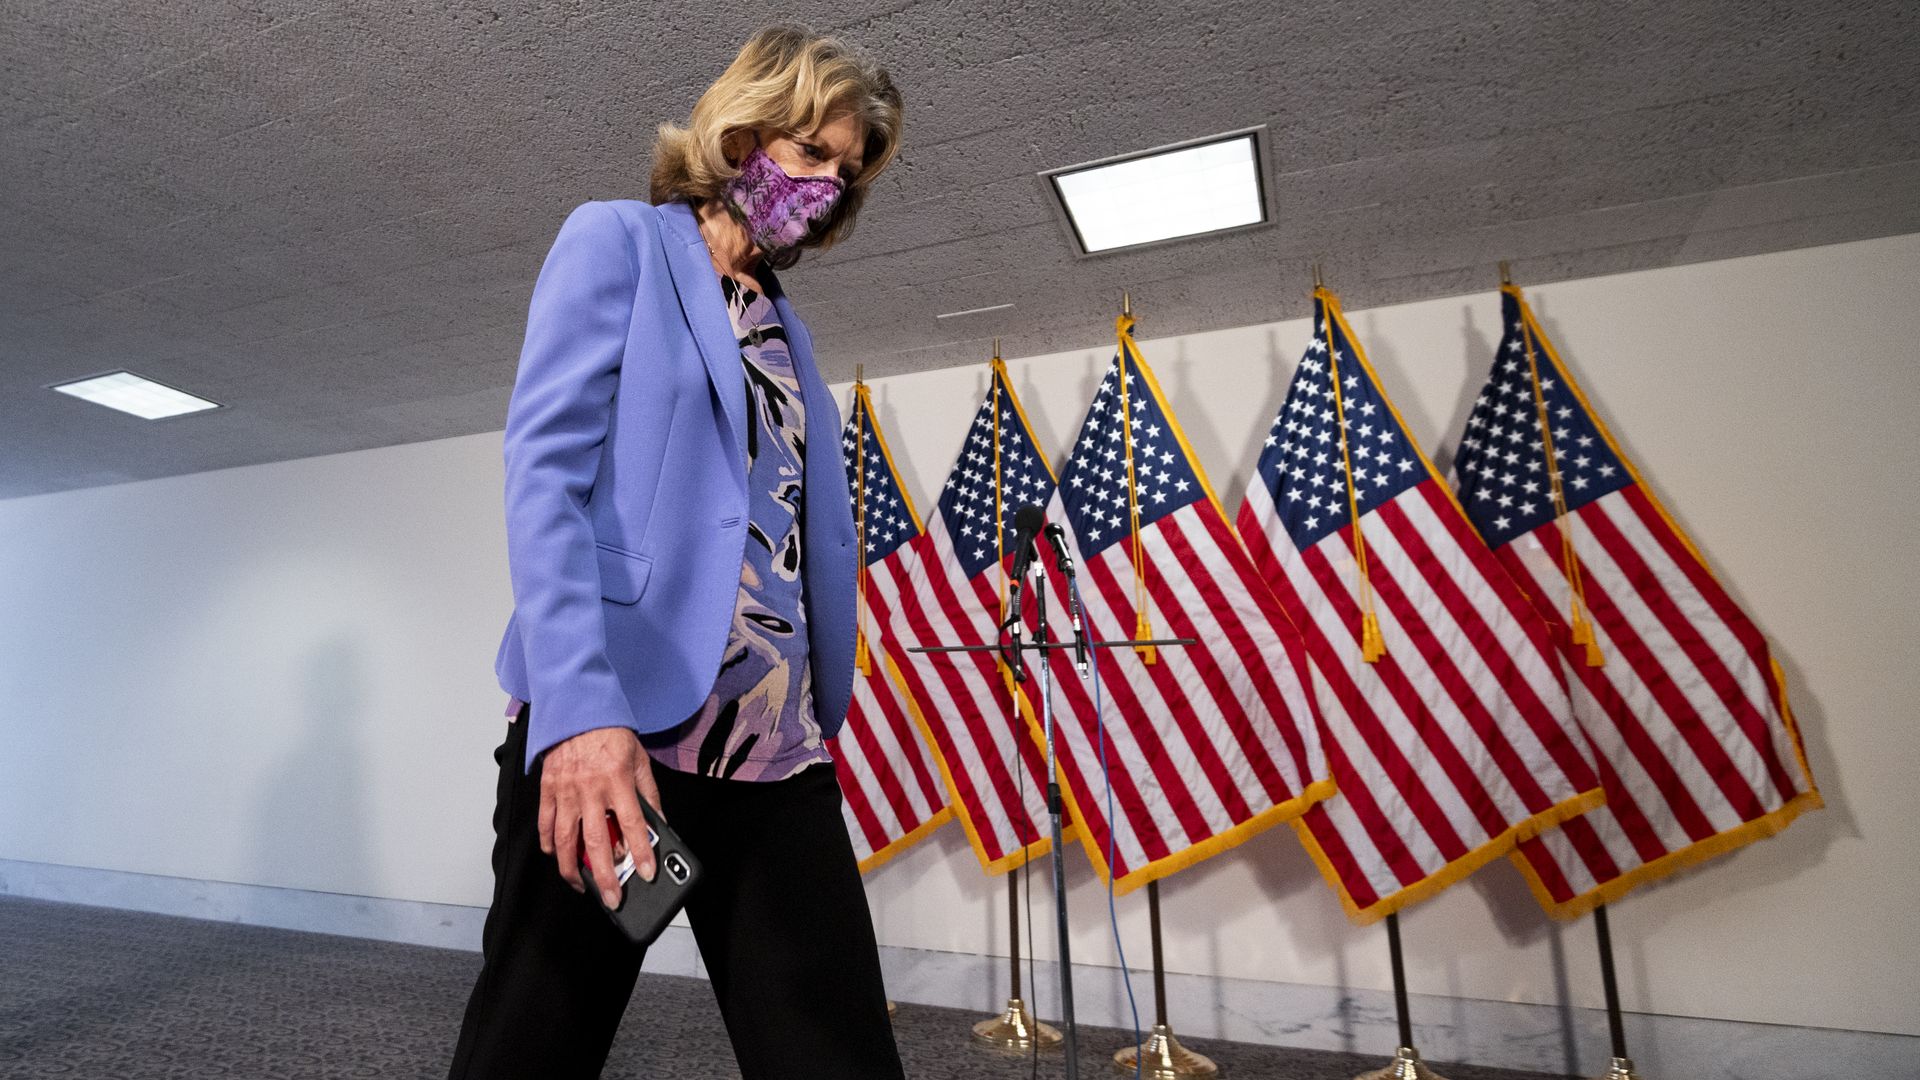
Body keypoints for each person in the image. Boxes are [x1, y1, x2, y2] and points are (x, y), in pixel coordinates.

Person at [447, 24, 905, 1080]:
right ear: (743, 132)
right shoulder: (618, 244)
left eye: (845, 166)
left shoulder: (783, 324)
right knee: (531, 1050)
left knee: (837, 1057)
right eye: (809, 149)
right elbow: (545, 481)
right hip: (625, 744)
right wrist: (581, 715)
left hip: (775, 748)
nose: (826, 182)